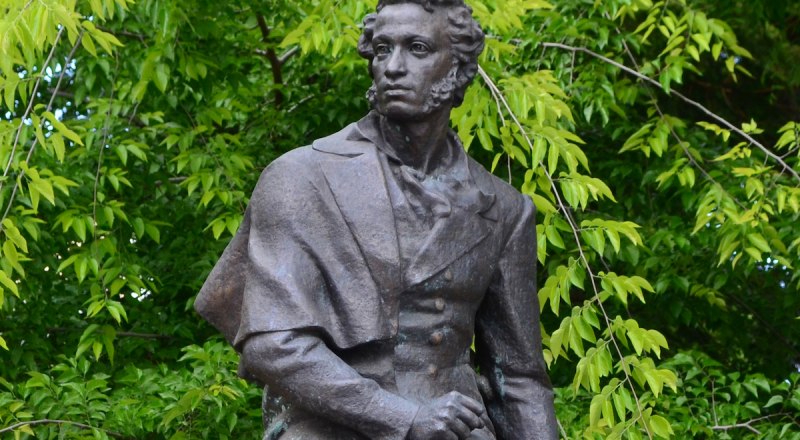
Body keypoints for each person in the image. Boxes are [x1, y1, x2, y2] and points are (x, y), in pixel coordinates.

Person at [194, 1, 558, 438]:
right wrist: (404, 418)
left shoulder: (504, 209)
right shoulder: (302, 177)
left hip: (457, 428)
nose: (394, 67)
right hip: (330, 425)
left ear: (458, 67)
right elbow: (273, 346)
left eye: (417, 48)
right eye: (383, 50)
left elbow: (518, 379)